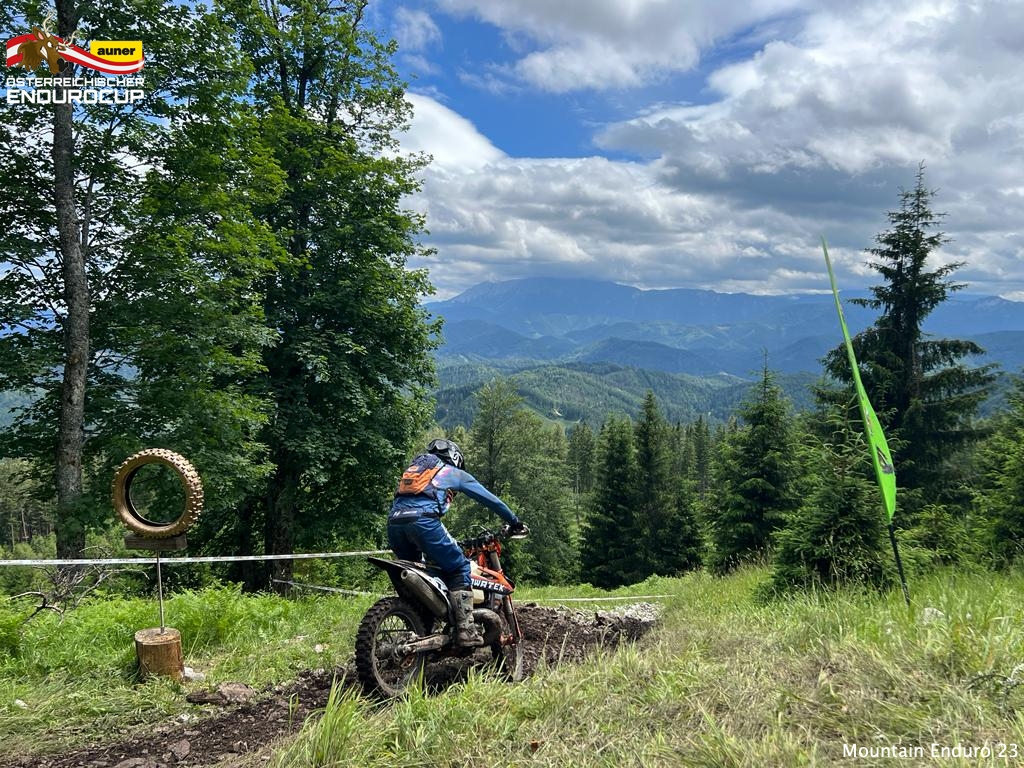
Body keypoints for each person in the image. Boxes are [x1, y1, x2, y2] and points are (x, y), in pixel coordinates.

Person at [388, 438, 527, 647]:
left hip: (394, 523)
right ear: (455, 458)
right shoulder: (451, 472)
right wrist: (514, 522)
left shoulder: (415, 469)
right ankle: (466, 630)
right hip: (424, 522)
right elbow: (490, 499)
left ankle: (420, 624)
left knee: (421, 569)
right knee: (459, 567)